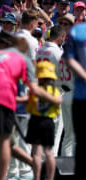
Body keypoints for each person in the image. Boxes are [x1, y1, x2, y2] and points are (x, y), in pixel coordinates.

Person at [0, 32, 62, 180]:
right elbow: (34, 89)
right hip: (3, 96)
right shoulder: (23, 58)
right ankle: (2, 177)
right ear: (25, 50)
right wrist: (55, 99)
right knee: (4, 140)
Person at [25, 61, 60, 180]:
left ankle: (36, 177)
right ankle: (50, 178)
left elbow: (29, 108)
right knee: (49, 152)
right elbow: (58, 105)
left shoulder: (34, 91)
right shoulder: (55, 91)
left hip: (35, 121)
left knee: (36, 153)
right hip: (49, 122)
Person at [36, 25, 66, 157]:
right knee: (54, 134)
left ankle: (41, 165)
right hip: (55, 92)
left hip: (41, 92)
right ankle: (49, 168)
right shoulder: (58, 53)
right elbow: (65, 75)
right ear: (60, 37)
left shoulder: (40, 50)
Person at [63, 21, 86, 179]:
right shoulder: (77, 31)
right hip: (80, 96)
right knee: (79, 141)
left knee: (70, 139)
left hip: (69, 93)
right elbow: (69, 59)